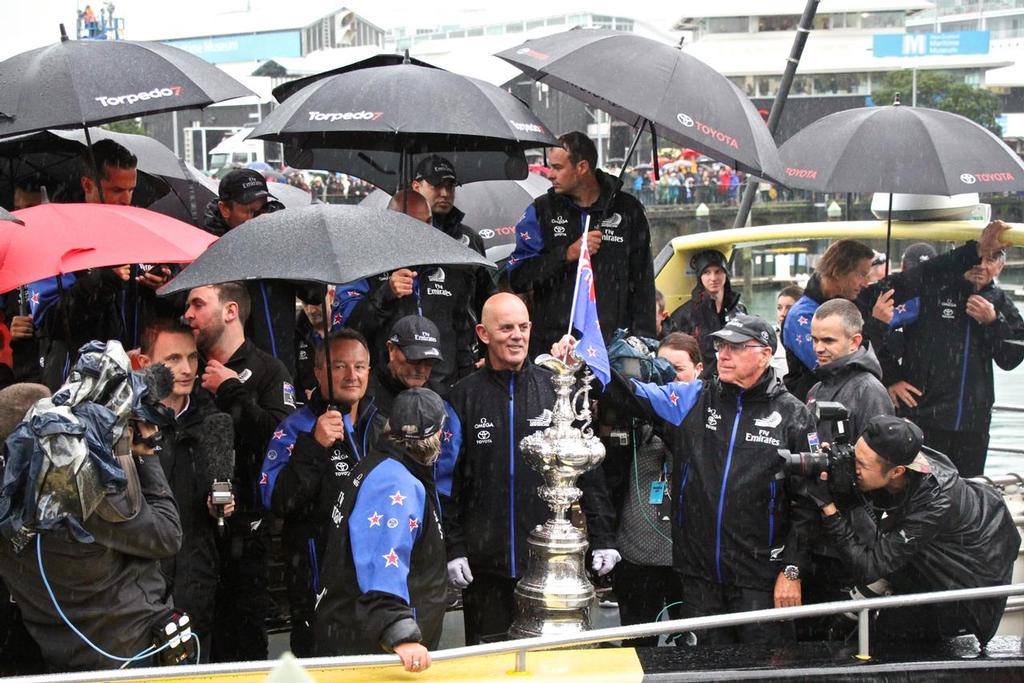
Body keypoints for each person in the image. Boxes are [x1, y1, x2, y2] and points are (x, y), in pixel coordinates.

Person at [594, 314, 816, 645]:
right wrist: (588, 358)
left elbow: (810, 502)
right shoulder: (694, 398)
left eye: (736, 347)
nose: (723, 354)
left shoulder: (794, 415)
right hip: (699, 579)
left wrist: (792, 569)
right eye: (721, 346)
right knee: (703, 670)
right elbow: (628, 394)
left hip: (759, 579)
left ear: (765, 353)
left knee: (765, 670)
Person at [444, 293, 617, 645]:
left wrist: (603, 538)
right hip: (485, 565)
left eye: (523, 327)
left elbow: (588, 470)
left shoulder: (554, 389)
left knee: (549, 662)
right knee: (488, 661)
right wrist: (454, 547)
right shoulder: (462, 396)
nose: (517, 336)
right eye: (506, 328)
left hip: (549, 564)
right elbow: (448, 482)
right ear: (483, 333)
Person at [0, 353, 182, 672]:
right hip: (129, 654)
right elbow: (167, 535)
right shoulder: (86, 499)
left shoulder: (8, 508)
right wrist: (143, 452)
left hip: (63, 659)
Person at [802, 415, 1020, 646]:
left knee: (893, 636)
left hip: (958, 581)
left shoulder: (934, 504)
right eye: (855, 456)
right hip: (927, 555)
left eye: (861, 465)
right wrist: (840, 468)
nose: (855, 467)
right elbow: (870, 485)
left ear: (897, 472)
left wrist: (828, 508)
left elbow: (869, 567)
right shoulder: (904, 452)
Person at [183, 282, 295, 662]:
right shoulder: (186, 369)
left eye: (198, 304)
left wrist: (233, 391)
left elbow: (283, 442)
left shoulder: (268, 369)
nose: (189, 314)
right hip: (190, 536)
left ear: (230, 311)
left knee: (243, 645)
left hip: (246, 536)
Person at [259, 329, 381, 657]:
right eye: (339, 366)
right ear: (317, 372)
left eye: (359, 366)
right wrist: (314, 445)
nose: (351, 375)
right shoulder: (294, 427)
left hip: (375, 578)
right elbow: (278, 501)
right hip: (317, 580)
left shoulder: (382, 426)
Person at [313, 388, 448, 671]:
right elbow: (382, 562)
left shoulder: (384, 464)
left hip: (358, 640)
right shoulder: (395, 483)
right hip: (376, 653)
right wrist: (399, 633)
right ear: (436, 436)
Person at [880, 221, 1022, 476]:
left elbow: (1011, 358)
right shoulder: (931, 291)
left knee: (966, 494)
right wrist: (892, 377)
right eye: (979, 257)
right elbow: (877, 329)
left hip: (972, 422)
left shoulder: (1001, 303)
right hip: (925, 415)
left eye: (991, 259)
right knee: (920, 493)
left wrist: (993, 322)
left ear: (1000, 266)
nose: (982, 265)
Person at [28, 140, 170, 390]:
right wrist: (102, 282)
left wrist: (162, 287)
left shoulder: (141, 230)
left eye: (131, 190)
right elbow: (51, 322)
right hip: (77, 381)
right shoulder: (55, 236)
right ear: (87, 184)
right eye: (116, 190)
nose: (126, 200)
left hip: (134, 377)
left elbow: (167, 312)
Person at [136, 318, 235, 661]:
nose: (187, 368)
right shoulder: (128, 427)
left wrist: (220, 508)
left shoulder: (212, 423)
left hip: (196, 587)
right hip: (140, 591)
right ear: (144, 364)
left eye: (192, 358)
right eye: (173, 359)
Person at [507, 131, 656, 358]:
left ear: (582, 167)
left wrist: (644, 343)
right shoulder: (540, 211)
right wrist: (566, 254)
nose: (549, 174)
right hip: (553, 346)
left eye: (557, 168)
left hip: (613, 348)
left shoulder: (628, 211)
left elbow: (643, 282)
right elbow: (518, 276)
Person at [346, 185, 489, 391]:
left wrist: (465, 384)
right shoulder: (368, 265)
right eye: (412, 224)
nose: (422, 232)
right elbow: (349, 333)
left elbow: (463, 334)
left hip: (442, 393)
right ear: (390, 224)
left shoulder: (453, 265)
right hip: (385, 395)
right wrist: (385, 294)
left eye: (427, 223)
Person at [610, 332, 700, 647]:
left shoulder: (707, 414)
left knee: (693, 648)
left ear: (698, 370)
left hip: (688, 559)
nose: (668, 378)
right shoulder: (634, 415)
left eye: (677, 370)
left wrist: (667, 418)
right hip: (636, 556)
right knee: (637, 649)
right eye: (660, 368)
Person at [202, 168, 324, 382]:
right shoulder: (206, 245)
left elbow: (316, 292)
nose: (256, 219)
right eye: (248, 211)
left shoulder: (279, 235)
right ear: (224, 209)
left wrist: (278, 249)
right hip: (231, 372)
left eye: (261, 211)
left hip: (282, 366)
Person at [782, 239, 877, 401]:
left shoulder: (855, 303)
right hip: (814, 409)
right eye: (862, 274)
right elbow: (835, 368)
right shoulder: (800, 316)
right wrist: (878, 326)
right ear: (838, 271)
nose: (866, 283)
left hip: (849, 402)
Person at [806, 299, 893, 443]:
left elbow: (878, 459)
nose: (818, 348)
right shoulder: (815, 390)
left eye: (828, 341)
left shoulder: (870, 392)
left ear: (854, 342)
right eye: (815, 340)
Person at [664, 249, 746, 378]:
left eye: (718, 271)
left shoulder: (739, 310)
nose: (713, 278)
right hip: (701, 385)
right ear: (700, 277)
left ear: (726, 274)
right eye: (707, 272)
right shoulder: (685, 315)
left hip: (734, 380)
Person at [771, 284, 802, 377]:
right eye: (779, 308)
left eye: (789, 308)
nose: (782, 313)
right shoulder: (767, 336)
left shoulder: (807, 339)